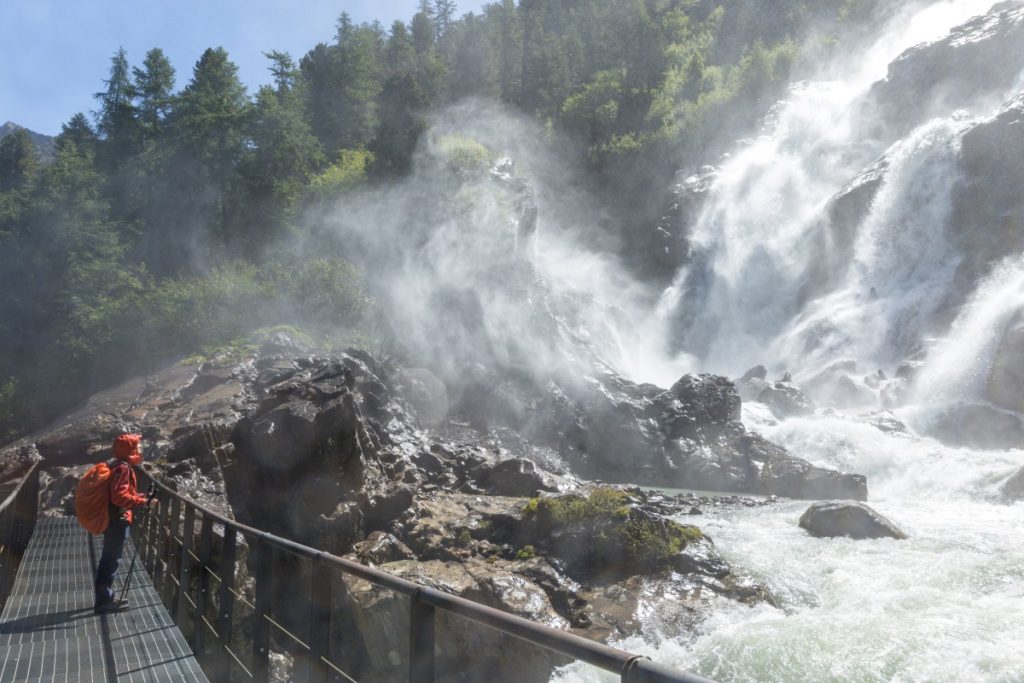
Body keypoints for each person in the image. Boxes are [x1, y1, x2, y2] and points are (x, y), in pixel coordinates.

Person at [94, 433, 153, 614]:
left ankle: (105, 597)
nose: (140, 450)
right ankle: (104, 601)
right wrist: (141, 502)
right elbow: (119, 497)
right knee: (111, 560)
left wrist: (138, 497)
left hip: (112, 518)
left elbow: (119, 493)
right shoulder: (123, 468)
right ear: (130, 449)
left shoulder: (114, 464)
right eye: (137, 446)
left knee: (109, 558)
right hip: (117, 520)